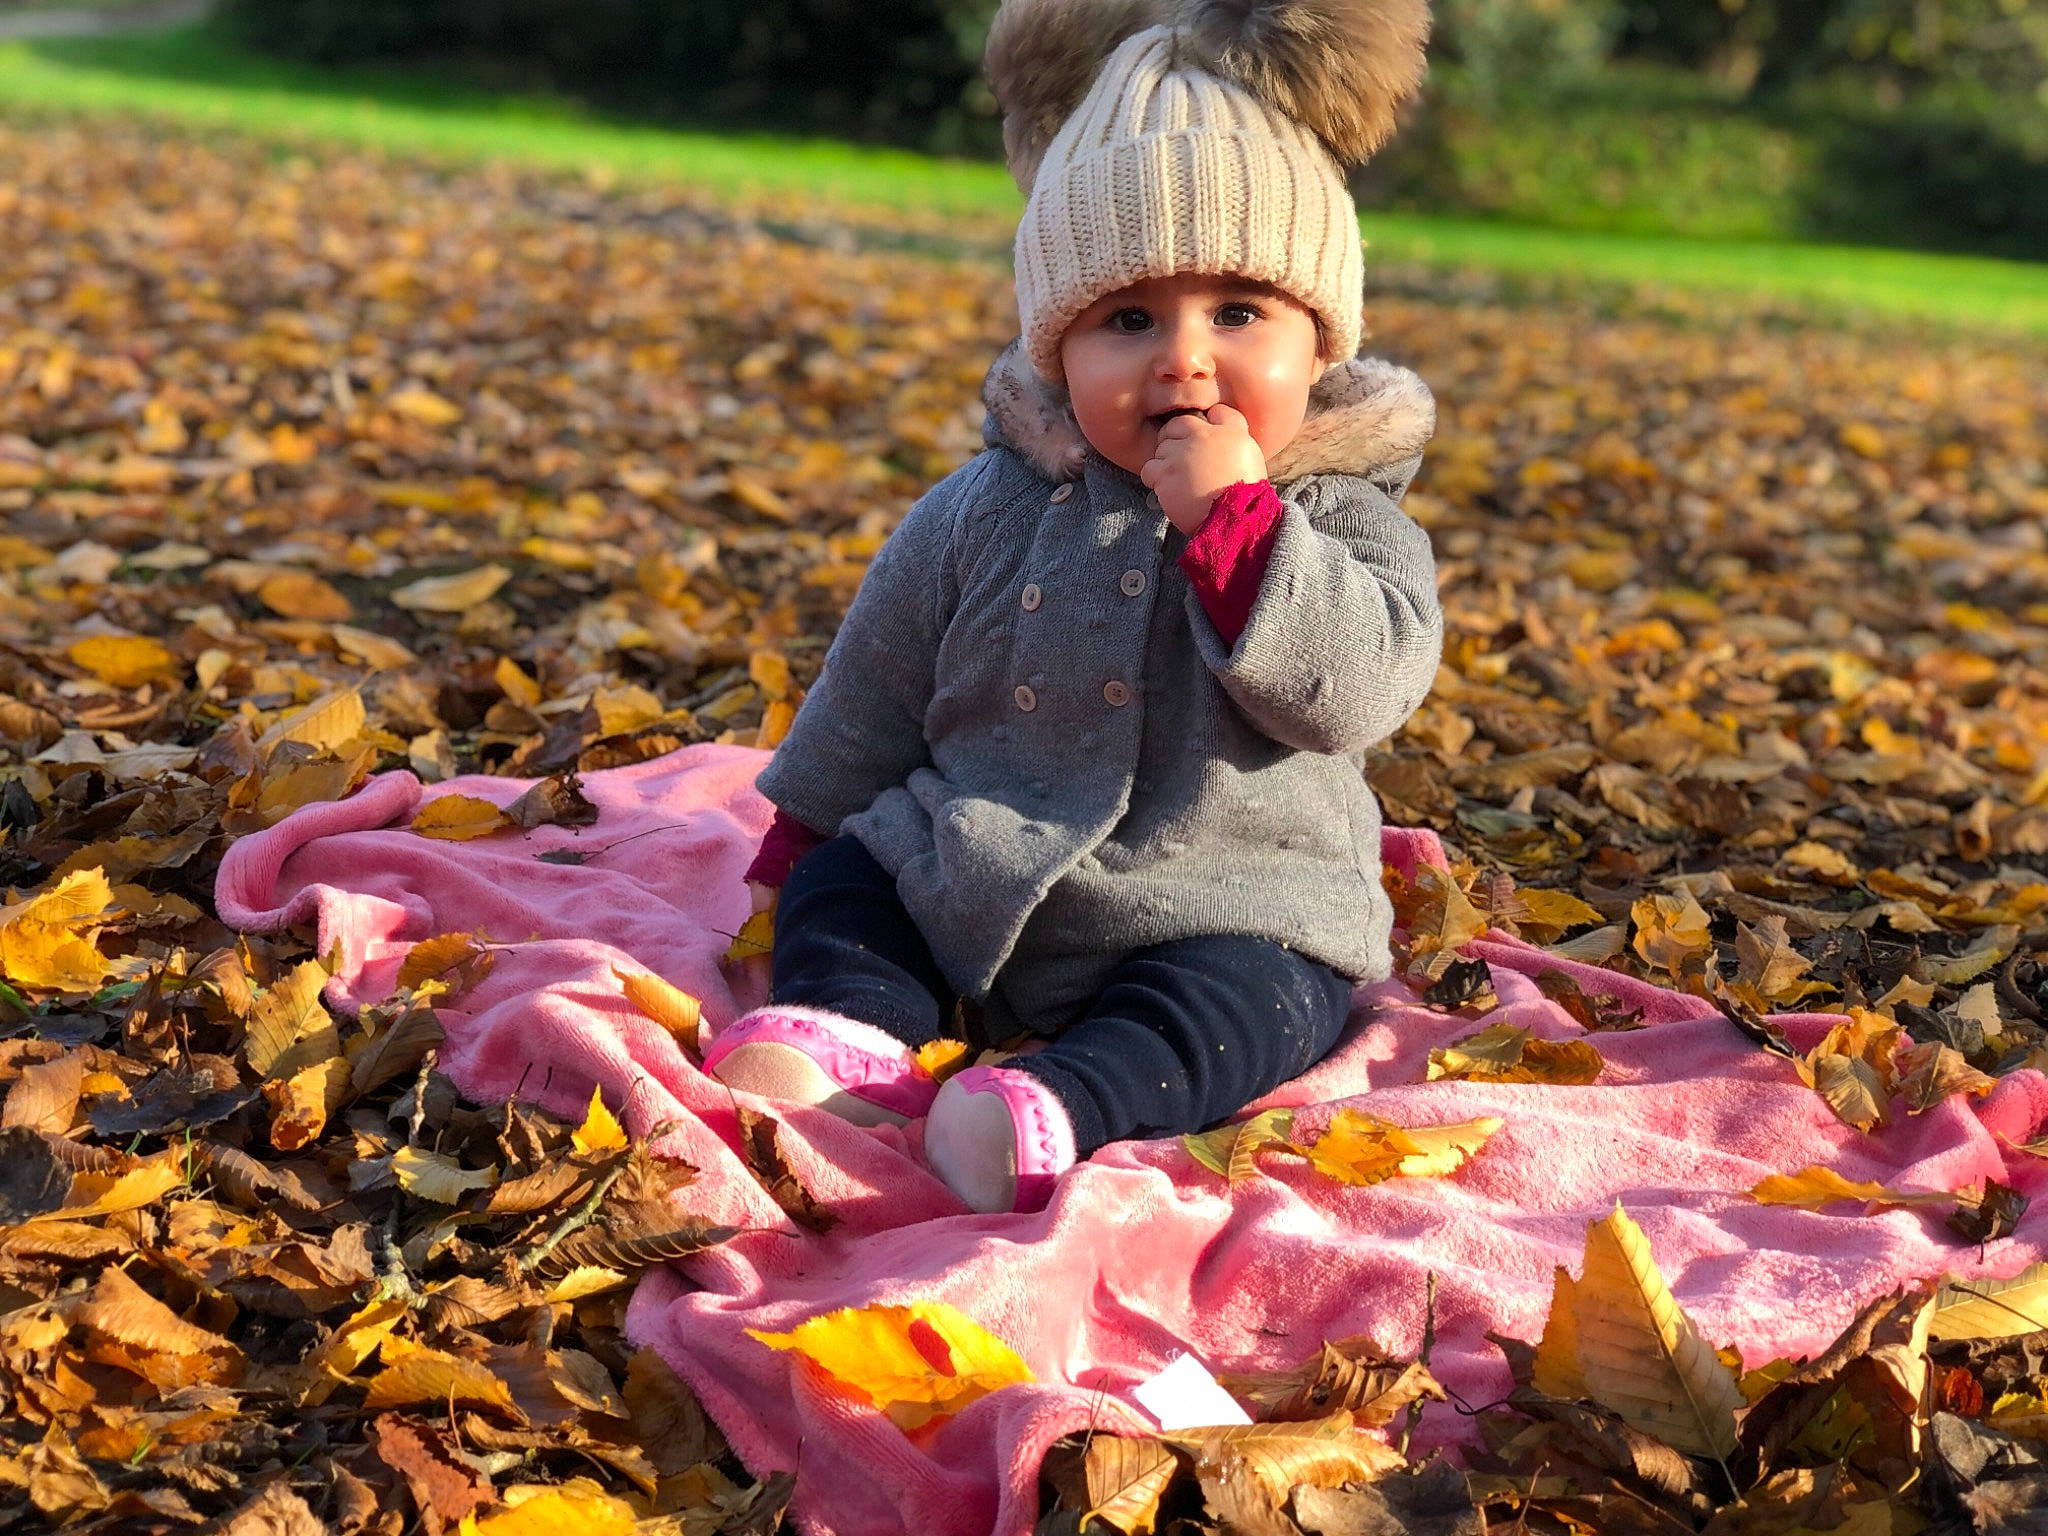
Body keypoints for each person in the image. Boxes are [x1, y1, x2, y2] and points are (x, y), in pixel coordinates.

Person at [704, 0, 1443, 1214]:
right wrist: (805, 829)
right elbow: (878, 672)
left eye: (1238, 312)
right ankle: (851, 1031)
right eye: (1127, 320)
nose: (1182, 357)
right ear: (1057, 351)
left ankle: (1061, 1101)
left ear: (1319, 344)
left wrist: (1240, 531)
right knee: (849, 883)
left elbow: (1356, 691)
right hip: (973, 866)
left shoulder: (1345, 519)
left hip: (1224, 898)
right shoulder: (991, 502)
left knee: (1262, 1003)